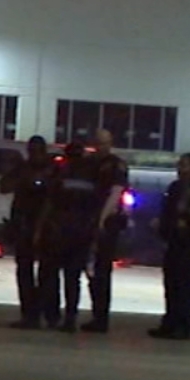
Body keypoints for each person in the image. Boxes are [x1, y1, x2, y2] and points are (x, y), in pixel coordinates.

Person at [150, 152, 190, 340]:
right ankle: (169, 323)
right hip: (173, 241)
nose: (179, 169)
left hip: (189, 242)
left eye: (184, 165)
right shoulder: (175, 187)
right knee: (170, 283)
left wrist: (187, 212)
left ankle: (183, 327)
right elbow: (167, 211)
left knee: (184, 284)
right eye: (179, 165)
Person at [0, 136, 57, 330]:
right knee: (24, 271)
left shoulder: (53, 169)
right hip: (23, 223)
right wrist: (21, 178)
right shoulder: (22, 168)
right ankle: (29, 314)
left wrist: (40, 229)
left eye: (38, 151)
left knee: (47, 273)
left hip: (46, 226)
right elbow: (4, 186)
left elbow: (53, 199)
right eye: (32, 151)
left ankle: (50, 315)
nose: (35, 155)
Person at [81, 129, 130, 333]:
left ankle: (101, 318)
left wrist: (102, 219)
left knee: (101, 271)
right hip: (88, 220)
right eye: (98, 143)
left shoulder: (116, 165)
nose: (101, 147)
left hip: (106, 223)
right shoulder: (90, 163)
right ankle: (96, 315)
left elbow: (115, 193)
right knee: (91, 270)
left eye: (104, 143)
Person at [49, 139, 94, 332]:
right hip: (80, 232)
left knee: (56, 275)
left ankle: (57, 316)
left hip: (63, 230)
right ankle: (70, 317)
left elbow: (51, 202)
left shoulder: (61, 174)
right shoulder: (91, 176)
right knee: (72, 277)